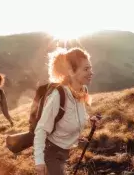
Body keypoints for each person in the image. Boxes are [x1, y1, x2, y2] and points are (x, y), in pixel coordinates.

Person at [34, 47, 99, 175]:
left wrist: (89, 118)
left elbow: (74, 113)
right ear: (71, 71)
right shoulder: (58, 96)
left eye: (90, 68)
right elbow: (41, 129)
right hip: (52, 153)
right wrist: (39, 161)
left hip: (65, 151)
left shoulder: (82, 90)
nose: (91, 72)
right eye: (86, 69)